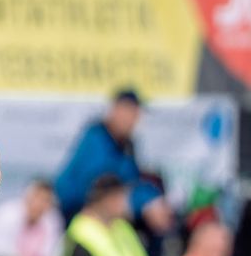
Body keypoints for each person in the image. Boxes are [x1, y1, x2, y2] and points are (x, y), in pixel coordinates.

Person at [52, 88, 173, 240]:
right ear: (115, 110)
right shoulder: (96, 139)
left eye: (137, 114)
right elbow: (104, 188)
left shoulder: (126, 145)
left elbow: (132, 181)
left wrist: (152, 198)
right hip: (75, 219)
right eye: (130, 112)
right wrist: (144, 201)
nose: (134, 120)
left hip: (101, 220)